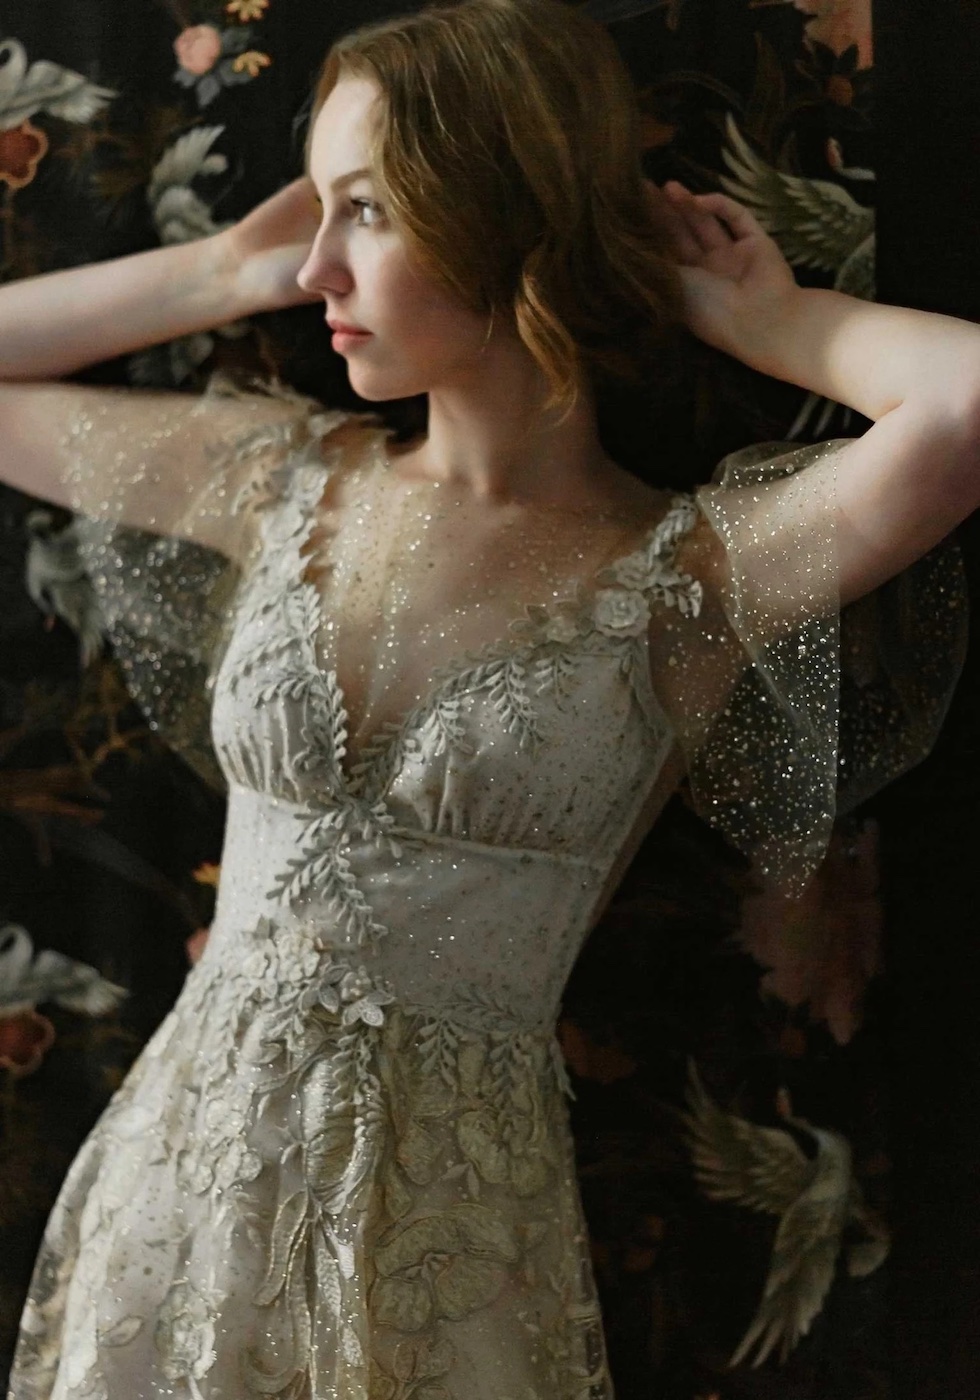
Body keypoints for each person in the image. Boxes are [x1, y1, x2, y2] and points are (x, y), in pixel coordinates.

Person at [2, 0, 977, 1394]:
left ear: (504, 218)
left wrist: (775, 323)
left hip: (451, 1245)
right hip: (177, 1199)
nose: (318, 266)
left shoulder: (692, 575)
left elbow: (967, 406)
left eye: (369, 212)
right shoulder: (277, 480)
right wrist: (220, 270)